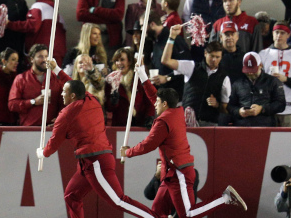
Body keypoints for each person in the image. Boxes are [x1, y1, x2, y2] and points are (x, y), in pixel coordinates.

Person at [121, 62, 248, 217]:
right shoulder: (177, 111)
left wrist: (128, 152)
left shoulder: (163, 122)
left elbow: (148, 145)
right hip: (172, 172)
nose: (155, 105)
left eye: (158, 103)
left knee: (188, 214)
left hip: (178, 172)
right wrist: (142, 76)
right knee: (157, 212)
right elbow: (155, 96)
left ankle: (225, 198)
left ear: (165, 104)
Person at [37, 71, 157, 218]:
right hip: (89, 161)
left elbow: (53, 143)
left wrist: (41, 153)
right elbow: (76, 85)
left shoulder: (65, 114)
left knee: (118, 200)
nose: (62, 94)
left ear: (72, 96)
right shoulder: (91, 99)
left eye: (64, 92)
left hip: (95, 162)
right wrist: (57, 70)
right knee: (71, 196)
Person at [160, 28, 230, 126]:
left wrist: (217, 104)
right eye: (211, 56)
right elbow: (166, 61)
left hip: (209, 124)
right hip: (186, 122)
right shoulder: (191, 67)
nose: (214, 59)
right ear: (205, 53)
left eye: (217, 57)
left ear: (221, 57)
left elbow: (225, 109)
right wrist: (172, 37)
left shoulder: (224, 78)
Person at [260, 22, 291, 126]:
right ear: (272, 33)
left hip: (290, 108)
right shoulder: (263, 54)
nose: (279, 36)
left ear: (289, 35)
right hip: (268, 108)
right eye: (277, 32)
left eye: (282, 33)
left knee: (288, 141)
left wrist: (285, 79)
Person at [8, 44, 65, 126]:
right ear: (32, 59)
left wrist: (60, 118)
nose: (45, 60)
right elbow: (12, 105)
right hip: (29, 129)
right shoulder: (21, 79)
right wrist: (33, 101)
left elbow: (64, 102)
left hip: (51, 128)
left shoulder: (56, 78)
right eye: (40, 57)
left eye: (46, 56)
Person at [228, 51, 286, 126]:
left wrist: (262, 109)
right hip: (242, 127)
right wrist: (239, 111)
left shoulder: (273, 82)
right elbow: (230, 106)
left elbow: (281, 104)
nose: (250, 73)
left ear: (261, 65)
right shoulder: (237, 84)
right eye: (248, 71)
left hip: (265, 127)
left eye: (253, 70)